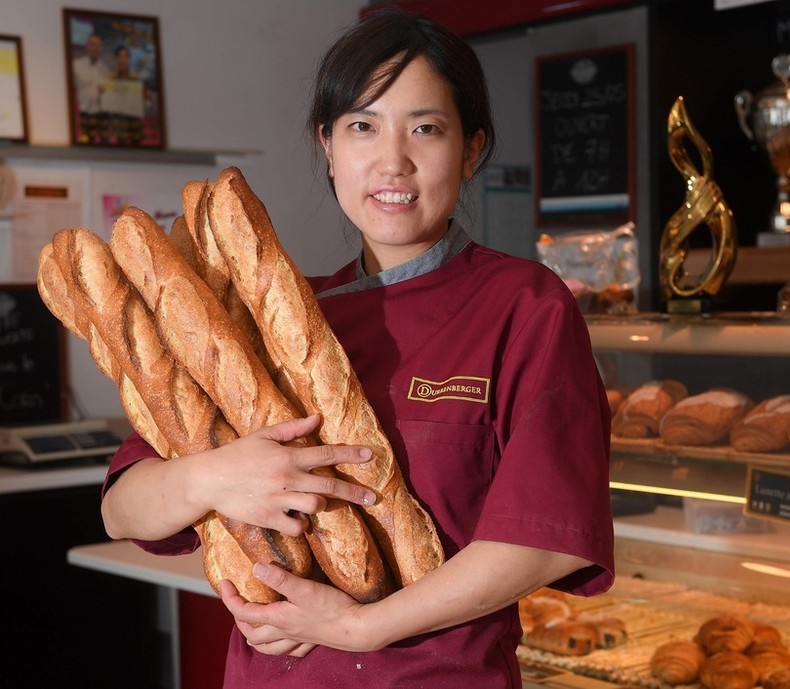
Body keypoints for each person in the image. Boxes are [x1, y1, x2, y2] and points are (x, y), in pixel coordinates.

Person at [101, 8, 614, 687]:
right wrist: (210, 478)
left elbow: (544, 539)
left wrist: (355, 626)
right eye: (362, 126)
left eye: (425, 128)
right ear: (328, 147)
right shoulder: (269, 316)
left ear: (471, 148)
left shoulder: (525, 306)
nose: (391, 160)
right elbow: (120, 508)